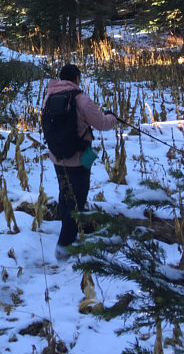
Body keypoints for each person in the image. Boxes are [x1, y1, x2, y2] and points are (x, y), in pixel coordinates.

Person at [42, 63, 117, 260]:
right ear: (76, 78)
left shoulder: (48, 97)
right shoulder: (81, 99)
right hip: (80, 157)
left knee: (65, 193)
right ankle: (65, 245)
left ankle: (66, 229)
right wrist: (112, 118)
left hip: (57, 156)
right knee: (77, 200)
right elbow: (101, 123)